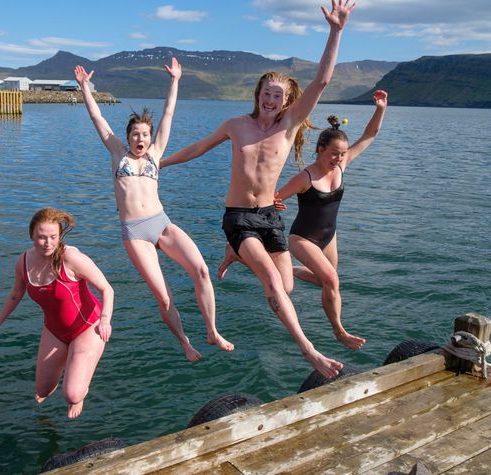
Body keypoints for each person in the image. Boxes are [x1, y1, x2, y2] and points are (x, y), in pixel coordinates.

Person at [161, 0, 356, 378]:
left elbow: (322, 81)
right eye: (266, 93)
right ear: (257, 94)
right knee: (271, 282)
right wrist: (162, 163)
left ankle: (236, 255)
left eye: (278, 95)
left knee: (285, 286)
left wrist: (336, 31)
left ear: (287, 101)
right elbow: (198, 147)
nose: (270, 99)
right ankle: (309, 350)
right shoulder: (236, 125)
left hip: (269, 216)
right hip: (239, 217)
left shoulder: (290, 125)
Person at [73, 57, 233, 363]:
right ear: (128, 136)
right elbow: (97, 119)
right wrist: (84, 87)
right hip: (135, 233)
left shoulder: (156, 154)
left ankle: (212, 331)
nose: (140, 139)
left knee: (201, 270)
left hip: (161, 223)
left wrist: (175, 80)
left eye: (145, 134)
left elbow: (169, 113)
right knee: (163, 296)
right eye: (135, 134)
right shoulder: (117, 152)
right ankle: (186, 342)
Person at [272, 90, 388, 350]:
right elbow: (275, 197)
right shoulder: (306, 177)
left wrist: (380, 109)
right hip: (303, 238)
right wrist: (276, 202)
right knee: (332, 281)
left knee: (325, 279)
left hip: (329, 236)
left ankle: (286, 271)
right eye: (334, 153)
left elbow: (369, 135)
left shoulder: (342, 166)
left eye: (343, 153)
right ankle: (339, 330)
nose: (339, 158)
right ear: (320, 150)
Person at [0, 208, 113, 419]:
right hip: (55, 330)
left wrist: (105, 320)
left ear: (60, 237)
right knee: (43, 391)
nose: (48, 243)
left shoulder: (71, 258)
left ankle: (80, 390)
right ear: (31, 234)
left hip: (88, 326)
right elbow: (16, 294)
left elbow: (107, 289)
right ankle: (68, 368)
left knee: (72, 394)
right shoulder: (23, 262)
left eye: (53, 237)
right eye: (41, 237)